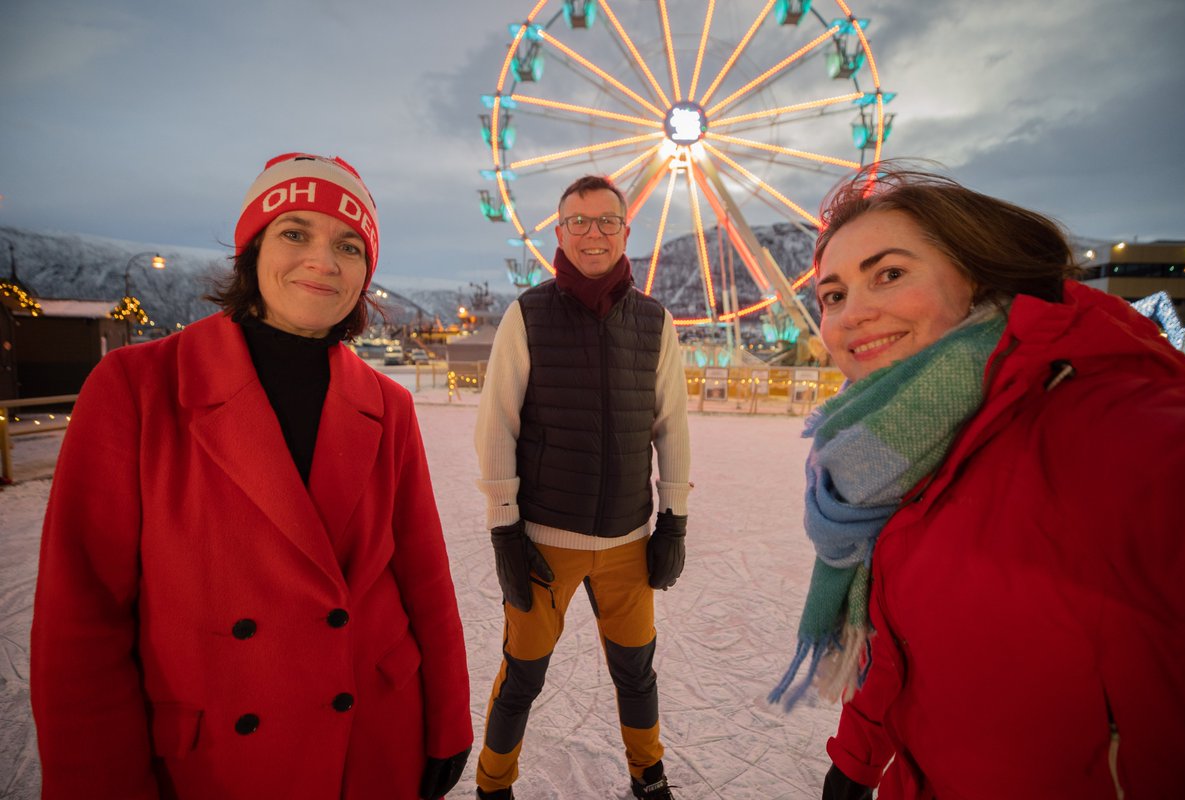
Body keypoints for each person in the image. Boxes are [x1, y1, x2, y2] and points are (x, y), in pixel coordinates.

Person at [31, 153, 473, 799]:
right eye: (295, 232)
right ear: (252, 249)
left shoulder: (389, 404)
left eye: (350, 245)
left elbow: (425, 578)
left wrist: (449, 722)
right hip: (217, 757)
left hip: (373, 739)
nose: (323, 260)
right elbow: (81, 618)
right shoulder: (135, 387)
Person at [769, 163, 1185, 799]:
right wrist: (857, 759)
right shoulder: (895, 452)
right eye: (833, 296)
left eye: (889, 274)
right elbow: (903, 635)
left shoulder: (1110, 430)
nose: (853, 314)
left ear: (973, 278)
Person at [473, 175, 691, 799]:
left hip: (628, 538)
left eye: (606, 222)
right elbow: (498, 424)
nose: (592, 233)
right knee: (522, 674)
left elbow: (671, 424)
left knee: (636, 670)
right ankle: (493, 783)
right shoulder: (528, 314)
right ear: (559, 231)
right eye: (578, 221)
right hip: (544, 540)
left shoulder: (654, 320)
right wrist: (505, 527)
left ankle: (648, 774)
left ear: (626, 231)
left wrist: (673, 520)